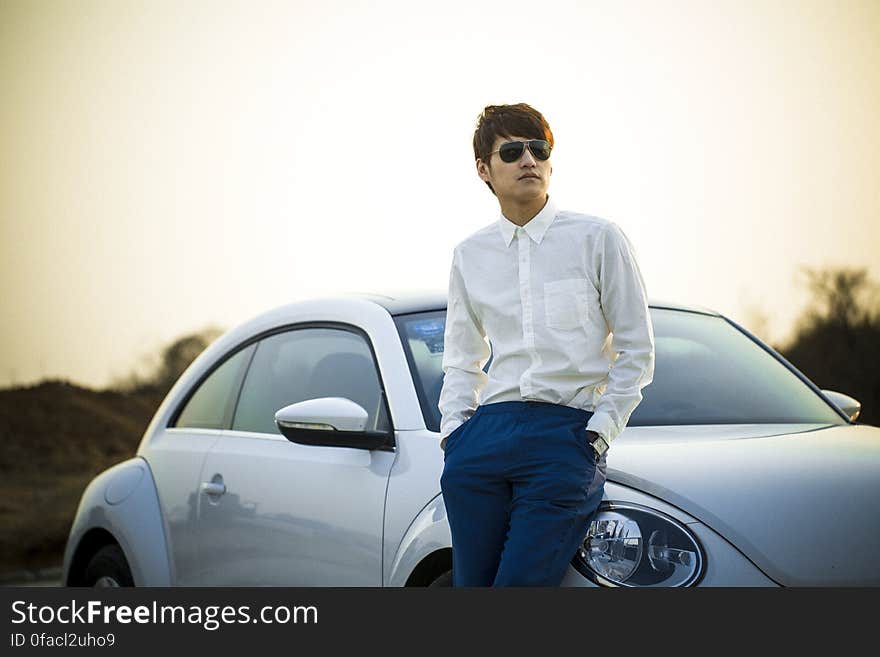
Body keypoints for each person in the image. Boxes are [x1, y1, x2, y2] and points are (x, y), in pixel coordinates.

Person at [438, 103, 655, 587]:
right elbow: (461, 357)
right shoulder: (469, 255)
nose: (528, 161)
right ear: (484, 170)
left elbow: (636, 349)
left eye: (539, 150)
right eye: (512, 152)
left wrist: (599, 432)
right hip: (483, 439)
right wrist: (455, 434)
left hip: (565, 434)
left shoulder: (598, 238)